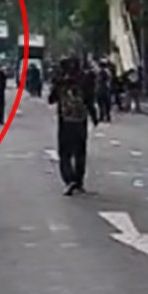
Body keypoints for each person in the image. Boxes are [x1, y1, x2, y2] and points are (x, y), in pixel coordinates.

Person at [48, 56, 98, 196]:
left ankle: (69, 179)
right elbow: (90, 100)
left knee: (65, 153)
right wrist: (94, 117)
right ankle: (78, 181)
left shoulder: (60, 81)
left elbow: (51, 99)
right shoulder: (85, 80)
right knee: (80, 152)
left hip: (65, 121)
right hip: (80, 121)